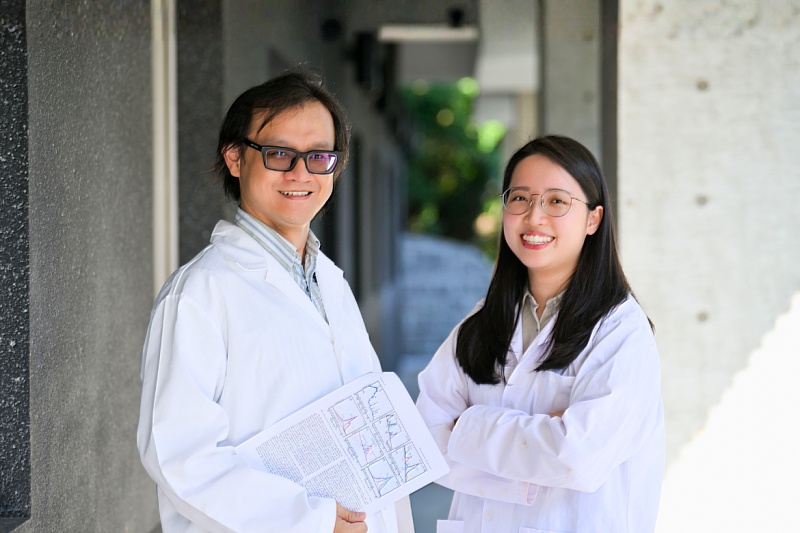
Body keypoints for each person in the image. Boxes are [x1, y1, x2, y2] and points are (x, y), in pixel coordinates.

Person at [137, 70, 412, 533]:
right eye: (280, 154)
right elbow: (179, 457)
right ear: (235, 159)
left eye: (319, 156)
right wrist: (316, 521)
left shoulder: (329, 282)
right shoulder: (200, 293)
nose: (301, 173)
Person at [416, 136, 665, 533]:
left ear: (593, 219)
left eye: (556, 201)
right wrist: (542, 442)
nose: (534, 217)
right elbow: (425, 438)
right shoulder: (479, 325)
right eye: (520, 199)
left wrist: (467, 425)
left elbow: (576, 459)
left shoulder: (621, 332)